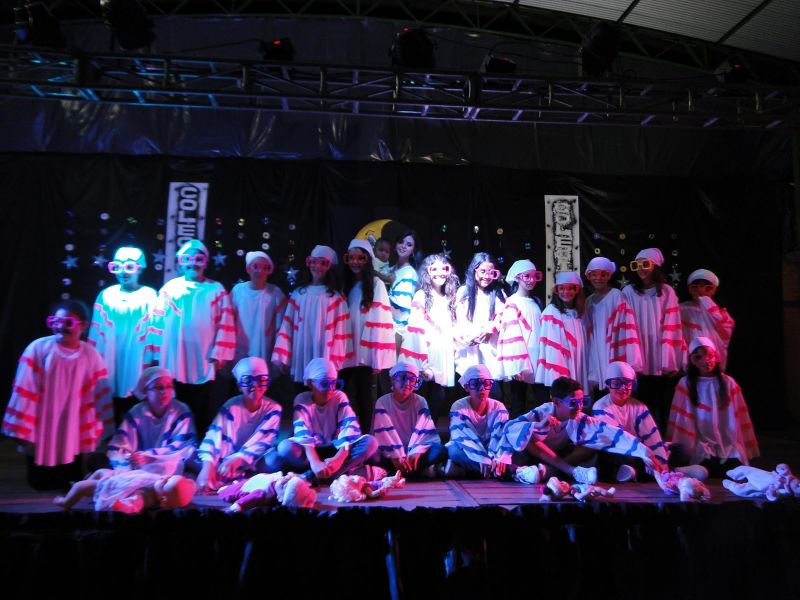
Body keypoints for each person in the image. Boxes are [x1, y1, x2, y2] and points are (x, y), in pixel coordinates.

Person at [2, 299, 112, 489]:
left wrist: (100, 423)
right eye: (55, 322)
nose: (60, 327)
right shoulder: (38, 348)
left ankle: (67, 478)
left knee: (71, 457)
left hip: (74, 419)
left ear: (83, 326)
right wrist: (22, 425)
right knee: (39, 481)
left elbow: (98, 393)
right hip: (43, 417)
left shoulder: (91, 355)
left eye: (68, 323)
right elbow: (24, 386)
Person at [144, 239, 236, 433]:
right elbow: (157, 321)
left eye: (198, 259)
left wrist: (220, 354)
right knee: (175, 401)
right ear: (181, 262)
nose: (193, 264)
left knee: (202, 404)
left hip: (203, 357)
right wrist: (156, 353)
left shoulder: (216, 289)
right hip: (174, 356)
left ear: (205, 262)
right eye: (188, 259)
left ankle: (200, 442)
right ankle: (175, 440)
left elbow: (225, 322)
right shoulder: (170, 288)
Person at [501, 376, 665, 484]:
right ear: (556, 402)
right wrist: (537, 426)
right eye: (573, 403)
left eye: (582, 402)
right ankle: (569, 471)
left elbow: (609, 432)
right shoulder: (543, 412)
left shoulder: (578, 417)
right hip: (535, 456)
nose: (579, 407)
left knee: (595, 441)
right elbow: (510, 428)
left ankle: (552, 471)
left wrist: (644, 451)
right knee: (528, 438)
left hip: (560, 457)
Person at [265, 358, 379, 484]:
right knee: (285, 448)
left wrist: (338, 459)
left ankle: (314, 475)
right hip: (310, 452)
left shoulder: (339, 396)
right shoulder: (302, 399)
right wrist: (315, 462)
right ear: (310, 384)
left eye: (334, 383)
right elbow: (303, 433)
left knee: (371, 443)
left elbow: (349, 429)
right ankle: (330, 473)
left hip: (335, 449)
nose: (330, 389)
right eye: (324, 384)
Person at [667, 337, 759, 478]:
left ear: (716, 357)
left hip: (726, 444)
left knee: (734, 469)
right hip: (700, 444)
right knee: (705, 468)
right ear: (692, 360)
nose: (706, 361)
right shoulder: (686, 383)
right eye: (699, 357)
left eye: (710, 356)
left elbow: (739, 417)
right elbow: (681, 420)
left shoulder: (728, 382)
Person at [88, 246, 158, 424]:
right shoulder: (106, 295)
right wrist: (92, 359)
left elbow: (155, 329)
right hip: (110, 356)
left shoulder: (149, 295)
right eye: (117, 267)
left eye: (129, 267)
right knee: (110, 402)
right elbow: (96, 331)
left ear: (139, 268)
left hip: (137, 356)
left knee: (133, 401)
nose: (123, 272)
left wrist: (155, 357)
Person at [195, 357, 282, 491]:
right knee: (193, 459)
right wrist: (208, 465)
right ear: (239, 386)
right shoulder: (231, 406)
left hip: (256, 460)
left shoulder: (273, 408)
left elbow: (264, 441)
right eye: (247, 381)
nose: (255, 385)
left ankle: (246, 476)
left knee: (274, 460)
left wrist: (240, 458)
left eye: (261, 380)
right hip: (227, 459)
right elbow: (214, 435)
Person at [271, 244, 353, 386]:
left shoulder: (336, 298)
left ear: (329, 268)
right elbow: (287, 326)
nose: (317, 267)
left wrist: (335, 362)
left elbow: (341, 333)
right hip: (302, 353)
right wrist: (283, 356)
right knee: (301, 392)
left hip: (325, 354)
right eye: (313, 262)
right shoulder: (299, 294)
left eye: (323, 263)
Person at [621, 248, 684, 431]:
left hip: (659, 352)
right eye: (637, 265)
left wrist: (670, 359)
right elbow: (625, 324)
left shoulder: (666, 292)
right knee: (641, 401)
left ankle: (662, 439)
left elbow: (673, 324)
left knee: (663, 402)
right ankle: (643, 436)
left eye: (645, 264)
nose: (641, 268)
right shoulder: (629, 291)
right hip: (638, 349)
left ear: (655, 266)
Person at [340, 239, 395, 430]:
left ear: (367, 260)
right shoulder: (345, 284)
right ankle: (346, 433)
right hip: (346, 350)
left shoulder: (376, 284)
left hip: (365, 353)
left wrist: (376, 357)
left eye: (360, 258)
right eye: (351, 258)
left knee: (364, 396)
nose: (355, 262)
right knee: (344, 394)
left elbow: (381, 320)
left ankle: (365, 435)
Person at [399, 253, 460, 421]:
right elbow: (415, 329)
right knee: (426, 395)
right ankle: (420, 429)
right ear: (428, 272)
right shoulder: (422, 296)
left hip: (443, 353)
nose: (440, 273)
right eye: (435, 269)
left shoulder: (449, 296)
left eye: (444, 269)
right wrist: (422, 362)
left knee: (439, 396)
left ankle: (427, 429)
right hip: (427, 353)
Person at [106, 367, 197, 476]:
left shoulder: (181, 410)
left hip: (167, 462)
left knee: (169, 466)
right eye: (159, 387)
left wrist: (150, 456)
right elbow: (120, 445)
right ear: (146, 391)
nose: (164, 392)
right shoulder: (136, 412)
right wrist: (131, 459)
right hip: (141, 466)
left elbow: (182, 446)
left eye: (169, 387)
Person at [591, 361, 669, 482]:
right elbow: (617, 438)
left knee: (678, 450)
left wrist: (661, 462)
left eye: (627, 384)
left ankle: (650, 471)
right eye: (616, 384)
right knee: (619, 455)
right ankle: (634, 472)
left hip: (640, 451)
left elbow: (652, 437)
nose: (623, 388)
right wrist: (645, 455)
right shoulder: (600, 407)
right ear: (608, 385)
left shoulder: (639, 407)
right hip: (619, 451)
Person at [370, 362, 446, 477]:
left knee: (440, 450)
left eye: (412, 380)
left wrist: (416, 452)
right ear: (392, 380)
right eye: (403, 378)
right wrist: (396, 456)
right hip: (390, 452)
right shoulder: (382, 402)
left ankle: (400, 470)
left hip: (413, 450)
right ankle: (417, 470)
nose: (407, 383)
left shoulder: (420, 401)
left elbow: (424, 434)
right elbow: (384, 436)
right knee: (372, 455)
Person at [582, 257, 642, 397]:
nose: (598, 278)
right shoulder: (588, 301)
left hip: (613, 349)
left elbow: (625, 328)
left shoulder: (616, 295)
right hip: (596, 352)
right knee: (599, 395)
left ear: (609, 276)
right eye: (594, 274)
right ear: (588, 276)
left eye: (603, 274)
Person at [496, 259, 544, 417]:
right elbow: (511, 334)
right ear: (517, 277)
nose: (531, 280)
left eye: (534, 276)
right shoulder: (512, 302)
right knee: (518, 401)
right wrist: (517, 365)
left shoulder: (536, 301)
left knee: (542, 399)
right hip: (522, 358)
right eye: (526, 276)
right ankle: (516, 429)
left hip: (538, 356)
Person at [445, 364, 511, 479]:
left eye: (486, 384)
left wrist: (500, 457)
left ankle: (467, 471)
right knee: (454, 452)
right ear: (466, 387)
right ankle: (508, 471)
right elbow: (461, 436)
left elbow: (502, 437)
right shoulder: (459, 406)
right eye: (475, 384)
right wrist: (479, 456)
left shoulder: (498, 407)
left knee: (514, 451)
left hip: (491, 448)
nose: (482, 389)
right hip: (466, 447)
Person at [455, 253, 506, 386]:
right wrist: (472, 335)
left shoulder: (498, 294)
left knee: (492, 389)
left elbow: (502, 317)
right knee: (470, 386)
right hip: (470, 348)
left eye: (491, 272)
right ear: (474, 270)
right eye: (483, 271)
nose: (487, 276)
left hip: (491, 350)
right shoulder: (463, 292)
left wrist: (490, 330)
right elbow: (460, 319)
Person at [230, 251, 287, 367]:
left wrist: (280, 355)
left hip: (264, 350)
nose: (260, 271)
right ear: (248, 269)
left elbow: (282, 327)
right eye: (256, 267)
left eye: (265, 268)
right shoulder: (237, 291)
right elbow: (228, 321)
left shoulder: (275, 293)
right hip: (239, 350)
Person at [535, 272, 589, 391]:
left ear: (577, 291)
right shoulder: (551, 311)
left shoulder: (579, 313)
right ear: (557, 290)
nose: (566, 292)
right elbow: (552, 351)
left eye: (571, 288)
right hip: (562, 364)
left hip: (578, 362)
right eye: (562, 288)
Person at [53, 469, 195, 514]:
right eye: (168, 477)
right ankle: (85, 490)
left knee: (80, 487)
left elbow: (133, 505)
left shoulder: (144, 496)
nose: (164, 477)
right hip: (118, 478)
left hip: (110, 487)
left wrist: (121, 505)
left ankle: (66, 501)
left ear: (163, 499)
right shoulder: (157, 485)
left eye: (165, 482)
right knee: (100, 471)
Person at [680, 268, 735, 372]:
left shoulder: (721, 314)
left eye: (707, 288)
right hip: (689, 364)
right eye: (695, 288)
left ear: (714, 290)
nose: (700, 291)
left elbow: (724, 338)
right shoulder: (681, 310)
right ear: (689, 289)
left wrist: (705, 301)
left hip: (713, 364)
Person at [388, 230, 420, 340]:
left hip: (395, 330)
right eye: (401, 242)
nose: (403, 246)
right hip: (384, 324)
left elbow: (402, 313)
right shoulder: (390, 269)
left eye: (409, 244)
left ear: (413, 250)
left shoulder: (409, 273)